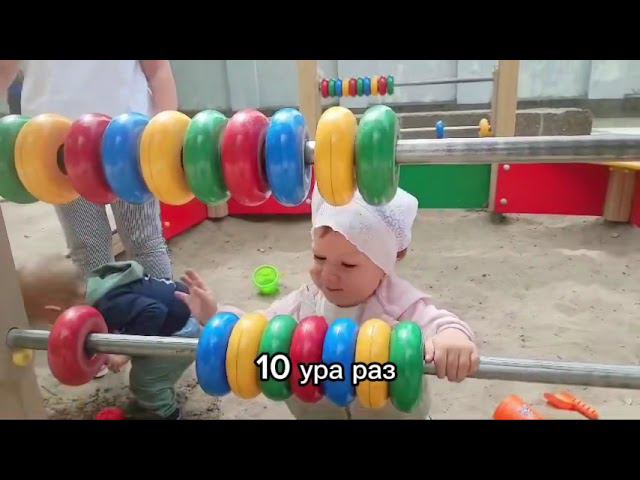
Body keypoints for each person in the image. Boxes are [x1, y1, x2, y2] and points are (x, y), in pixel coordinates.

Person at [178, 186, 480, 419]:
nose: (328, 275)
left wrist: (452, 337)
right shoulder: (306, 300)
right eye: (319, 258)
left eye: (348, 265)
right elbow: (255, 331)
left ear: (385, 267)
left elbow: (439, 322)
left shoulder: (399, 303)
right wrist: (216, 315)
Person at [0, 60, 177, 281]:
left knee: (144, 242)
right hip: (57, 149)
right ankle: (105, 302)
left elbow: (158, 69)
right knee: (89, 249)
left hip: (128, 143)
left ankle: (162, 299)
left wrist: (164, 136)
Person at [18, 255, 200, 420]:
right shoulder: (95, 289)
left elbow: (154, 311)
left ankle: (168, 413)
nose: (52, 326)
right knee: (145, 365)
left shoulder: (108, 305)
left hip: (181, 331)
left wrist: (125, 353)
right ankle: (153, 398)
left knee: (145, 382)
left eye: (49, 322)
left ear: (54, 311)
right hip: (177, 310)